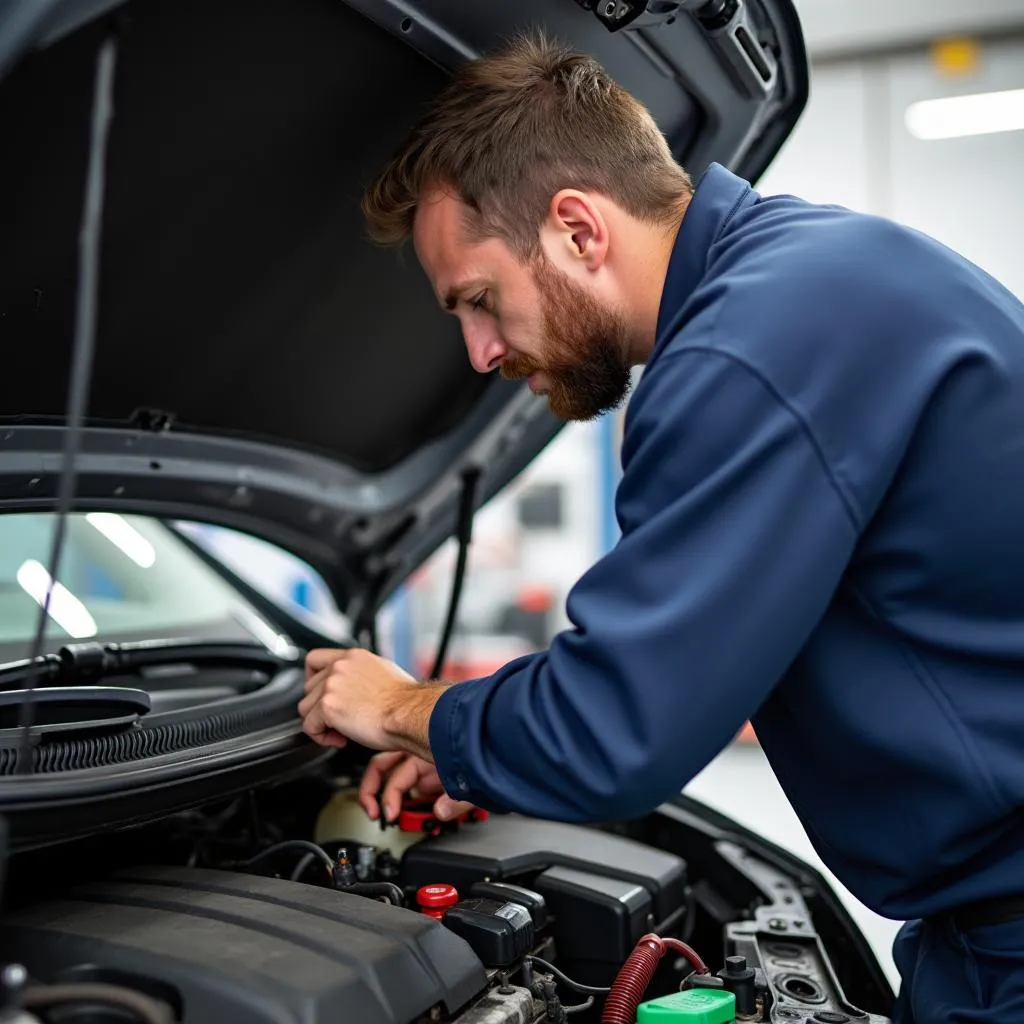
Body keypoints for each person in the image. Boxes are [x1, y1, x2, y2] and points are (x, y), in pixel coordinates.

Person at [296, 32, 1024, 1024]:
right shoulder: (808, 279)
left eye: (478, 300)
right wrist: (476, 743)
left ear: (576, 231)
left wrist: (396, 707)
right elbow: (672, 667)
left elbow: (616, 726)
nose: (476, 352)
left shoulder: (745, 350)